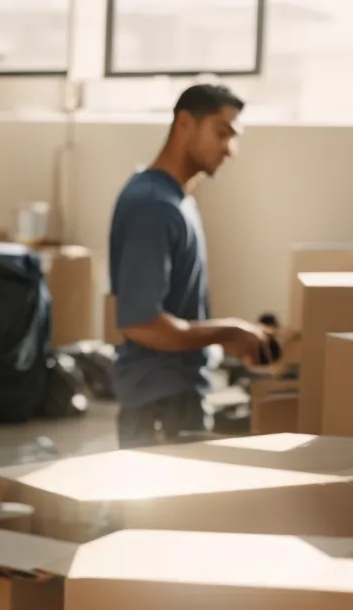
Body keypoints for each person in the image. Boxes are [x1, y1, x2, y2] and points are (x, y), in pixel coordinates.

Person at [110, 83, 274, 447]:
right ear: (184, 123)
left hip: (176, 394)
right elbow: (142, 324)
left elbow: (173, 309)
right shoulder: (154, 207)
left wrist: (226, 340)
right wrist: (228, 331)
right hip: (159, 403)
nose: (229, 150)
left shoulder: (175, 200)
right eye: (221, 133)